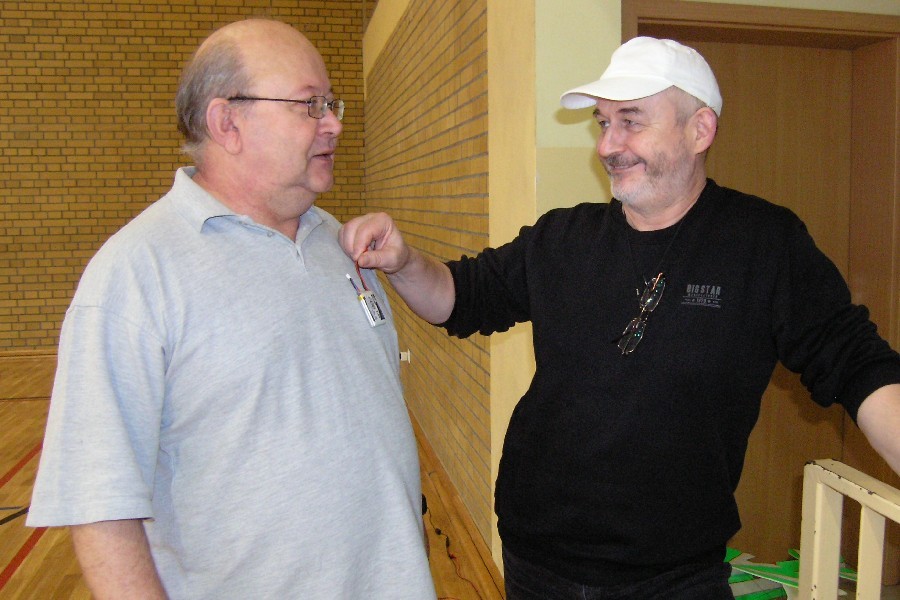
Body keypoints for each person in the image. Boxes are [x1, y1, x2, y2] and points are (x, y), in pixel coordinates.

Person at [339, 36, 900, 599]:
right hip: (537, 560)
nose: (608, 145)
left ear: (700, 130)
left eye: (631, 121)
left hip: (673, 575)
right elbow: (462, 297)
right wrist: (405, 262)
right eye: (604, 124)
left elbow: (858, 365)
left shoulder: (762, 244)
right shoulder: (563, 237)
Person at [27, 18, 436, 599]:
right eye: (309, 105)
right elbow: (99, 502)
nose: (334, 123)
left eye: (331, 102)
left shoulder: (341, 247)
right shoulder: (135, 273)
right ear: (228, 123)